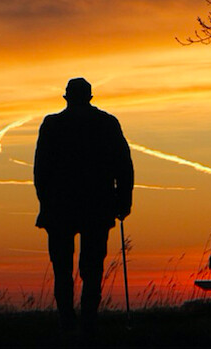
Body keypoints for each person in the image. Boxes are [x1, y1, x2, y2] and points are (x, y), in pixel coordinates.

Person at [34, 77, 134, 335]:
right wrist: (123, 202)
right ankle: (88, 321)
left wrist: (45, 203)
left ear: (67, 97)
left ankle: (67, 321)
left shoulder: (52, 125)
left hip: (60, 208)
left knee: (62, 269)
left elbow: (40, 171)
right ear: (89, 97)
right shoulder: (106, 124)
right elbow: (124, 166)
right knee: (92, 269)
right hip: (96, 207)